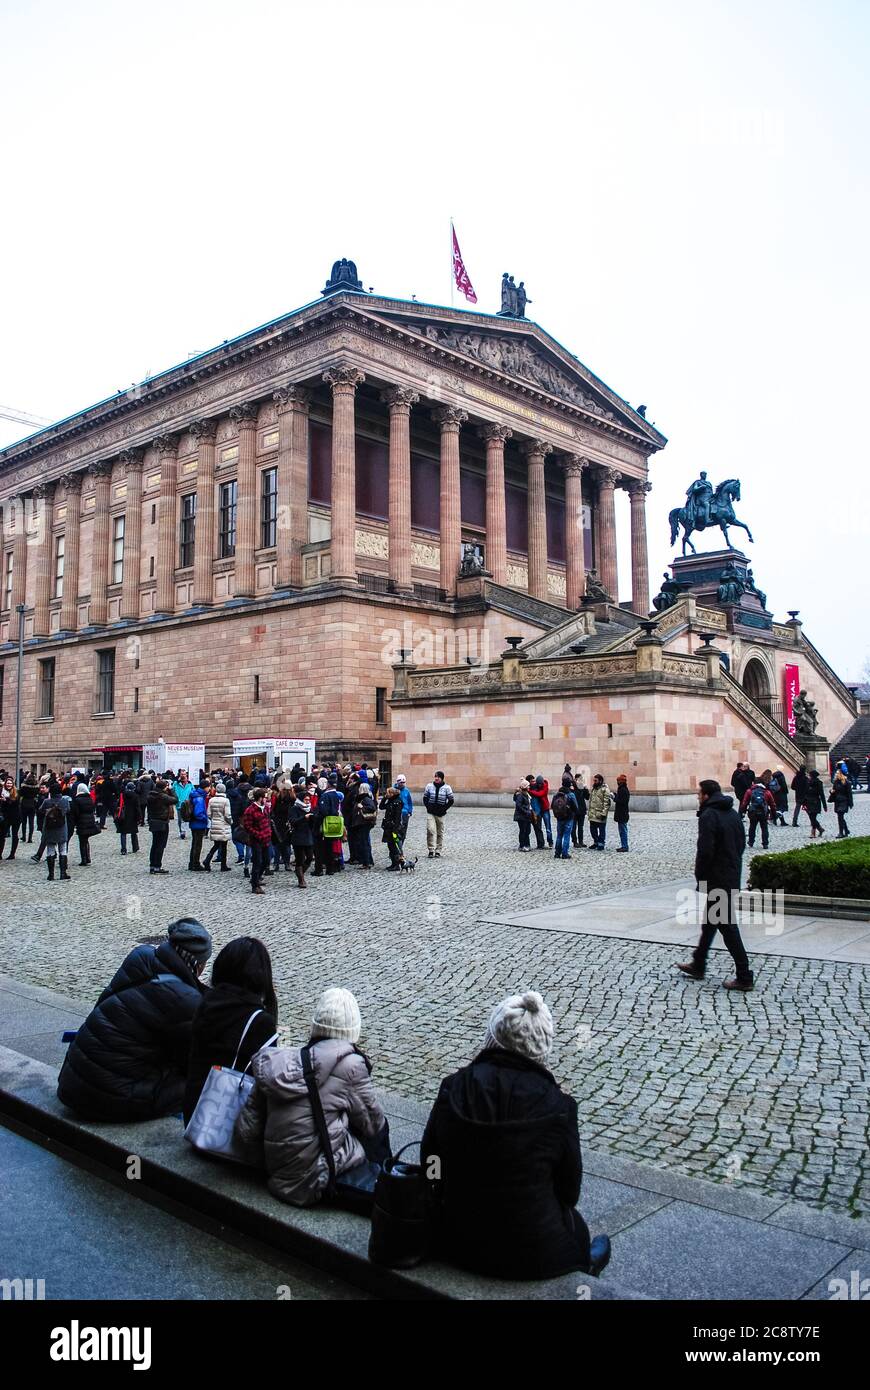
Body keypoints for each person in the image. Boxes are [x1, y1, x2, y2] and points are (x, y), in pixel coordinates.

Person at [421, 991, 610, 1280]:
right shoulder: (560, 1107)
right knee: (578, 1228)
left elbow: (431, 1161)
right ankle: (586, 1263)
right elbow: (569, 1191)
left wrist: (442, 1190)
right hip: (537, 1254)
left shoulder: (453, 1087)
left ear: (493, 1037)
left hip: (457, 1237)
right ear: (542, 1049)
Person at [234, 987, 389, 1207]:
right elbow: (373, 1126)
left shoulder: (276, 1063)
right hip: (316, 1178)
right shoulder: (352, 1066)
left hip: (276, 1170)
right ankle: (385, 1183)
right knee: (376, 1123)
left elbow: (246, 1131)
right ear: (353, 1031)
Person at [57, 918, 212, 1121]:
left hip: (73, 1078)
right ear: (198, 965)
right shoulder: (184, 998)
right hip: (107, 1097)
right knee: (201, 1085)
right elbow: (189, 1061)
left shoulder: (140, 957)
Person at [183, 936, 278, 1126]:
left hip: (194, 1116)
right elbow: (267, 1083)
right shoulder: (259, 1022)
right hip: (225, 1127)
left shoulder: (205, 1004)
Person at [677, 779, 752, 991]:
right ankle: (699, 963)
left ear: (707, 795)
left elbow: (705, 850)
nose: (698, 797)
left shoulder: (709, 815)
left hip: (717, 877)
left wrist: (700, 875)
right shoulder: (732, 813)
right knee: (710, 924)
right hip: (730, 873)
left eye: (699, 794)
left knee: (727, 927)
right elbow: (741, 844)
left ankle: (745, 975)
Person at [242, 786, 273, 894]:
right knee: (257, 862)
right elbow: (247, 826)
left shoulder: (265, 808)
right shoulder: (250, 810)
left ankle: (256, 878)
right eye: (265, 797)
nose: (266, 799)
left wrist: (268, 832)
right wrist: (258, 834)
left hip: (266, 839)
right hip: (256, 840)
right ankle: (255, 885)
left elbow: (268, 821)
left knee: (266, 860)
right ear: (260, 798)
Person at [42, 780, 72, 881]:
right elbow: (68, 810)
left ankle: (51, 874)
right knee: (62, 850)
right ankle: (63, 873)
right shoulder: (64, 801)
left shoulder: (47, 802)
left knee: (50, 850)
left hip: (49, 828)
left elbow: (41, 810)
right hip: (61, 827)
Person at [423, 771, 454, 858]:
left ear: (442, 778)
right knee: (430, 830)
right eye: (435, 776)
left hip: (441, 814)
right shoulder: (429, 786)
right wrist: (428, 807)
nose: (436, 778)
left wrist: (444, 809)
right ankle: (431, 849)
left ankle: (438, 850)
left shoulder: (447, 788)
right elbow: (425, 798)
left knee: (440, 832)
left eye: (438, 777)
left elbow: (451, 800)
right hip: (431, 812)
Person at [203, 781, 233, 871]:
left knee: (216, 845)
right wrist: (230, 822)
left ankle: (207, 859)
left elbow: (208, 813)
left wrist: (214, 819)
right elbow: (227, 815)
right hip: (223, 825)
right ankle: (223, 865)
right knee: (224, 846)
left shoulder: (212, 800)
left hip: (215, 824)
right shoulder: (226, 801)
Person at [740, 777, 777, 849]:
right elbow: (772, 804)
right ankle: (765, 843)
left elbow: (744, 803)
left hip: (753, 812)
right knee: (764, 828)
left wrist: (743, 811)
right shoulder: (767, 792)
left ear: (754, 783)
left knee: (752, 827)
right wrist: (774, 813)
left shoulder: (749, 791)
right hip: (763, 812)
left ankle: (751, 842)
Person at [288, 787, 315, 887]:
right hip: (298, 836)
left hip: (308, 835)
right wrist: (304, 817)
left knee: (309, 857)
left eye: (308, 799)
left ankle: (300, 872)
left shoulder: (309, 808)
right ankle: (301, 880)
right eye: (306, 799)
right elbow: (293, 821)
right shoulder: (294, 808)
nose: (308, 801)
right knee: (300, 859)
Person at [70, 780, 99, 865]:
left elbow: (76, 812)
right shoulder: (89, 798)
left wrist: (75, 822)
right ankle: (88, 857)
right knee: (86, 840)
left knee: (82, 841)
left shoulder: (77, 800)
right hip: (90, 821)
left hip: (81, 822)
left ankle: (84, 859)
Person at [551, 776, 579, 860]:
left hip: (559, 818)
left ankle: (557, 853)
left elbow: (552, 805)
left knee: (559, 835)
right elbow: (576, 807)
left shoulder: (557, 795)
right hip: (569, 817)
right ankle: (565, 853)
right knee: (567, 835)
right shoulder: (571, 795)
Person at [350, 781, 377, 868]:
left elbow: (372, 808)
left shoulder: (365, 798)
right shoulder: (364, 798)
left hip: (364, 823)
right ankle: (368, 861)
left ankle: (366, 862)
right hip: (363, 823)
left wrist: (362, 807)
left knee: (364, 842)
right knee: (365, 842)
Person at [380, 785, 406, 869]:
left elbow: (397, 817)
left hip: (393, 827)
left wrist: (395, 830)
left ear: (392, 793)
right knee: (390, 845)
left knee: (394, 846)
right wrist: (384, 798)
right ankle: (394, 863)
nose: (386, 794)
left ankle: (397, 864)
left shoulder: (397, 802)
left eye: (387, 793)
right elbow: (381, 806)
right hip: (388, 826)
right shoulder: (391, 801)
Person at [116, 780, 141, 855]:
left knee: (123, 833)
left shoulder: (122, 795)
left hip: (123, 816)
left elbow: (118, 805)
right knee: (133, 833)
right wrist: (139, 817)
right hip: (132, 816)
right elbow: (137, 808)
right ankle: (135, 847)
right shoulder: (135, 796)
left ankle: (123, 849)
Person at [587, 774, 611, 850]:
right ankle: (596, 841)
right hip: (592, 813)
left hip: (600, 813)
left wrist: (604, 813)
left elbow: (606, 802)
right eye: (594, 780)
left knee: (601, 830)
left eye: (596, 780)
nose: (594, 782)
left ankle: (601, 843)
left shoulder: (605, 789)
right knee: (592, 829)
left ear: (600, 781)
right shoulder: (593, 789)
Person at [528, 775, 552, 849]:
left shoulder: (545, 786)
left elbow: (540, 794)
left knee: (548, 828)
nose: (539, 785)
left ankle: (550, 841)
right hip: (539, 810)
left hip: (545, 809)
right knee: (539, 827)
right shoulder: (536, 786)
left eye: (539, 784)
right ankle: (541, 843)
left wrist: (529, 791)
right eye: (537, 784)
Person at [0, 778, 21, 860]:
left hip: (15, 817)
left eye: (10, 783)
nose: (9, 785)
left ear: (13, 784)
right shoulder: (2, 792)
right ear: (5, 784)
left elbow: (15, 803)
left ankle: (12, 854)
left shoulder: (16, 792)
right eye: (7, 783)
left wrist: (6, 800)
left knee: (14, 835)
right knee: (2, 835)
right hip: (5, 817)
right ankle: (0, 853)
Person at [804, 770, 827, 838]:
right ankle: (820, 829)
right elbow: (805, 793)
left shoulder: (818, 783)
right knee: (811, 817)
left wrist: (824, 805)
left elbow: (821, 794)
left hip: (815, 802)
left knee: (813, 818)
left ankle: (813, 833)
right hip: (809, 802)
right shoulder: (808, 782)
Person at [830, 771, 853, 838]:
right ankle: (846, 830)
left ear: (841, 774)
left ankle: (841, 832)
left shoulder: (847, 783)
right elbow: (834, 790)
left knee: (840, 816)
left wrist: (850, 803)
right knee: (840, 817)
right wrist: (831, 791)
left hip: (844, 801)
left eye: (837, 773)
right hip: (837, 801)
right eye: (836, 773)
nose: (836, 774)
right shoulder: (836, 782)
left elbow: (849, 794)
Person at [513, 780, 534, 852]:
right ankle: (522, 846)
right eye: (528, 786)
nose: (529, 786)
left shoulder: (526, 794)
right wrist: (526, 811)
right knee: (523, 831)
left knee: (527, 830)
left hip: (526, 816)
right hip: (522, 816)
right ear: (525, 787)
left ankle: (527, 845)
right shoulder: (520, 795)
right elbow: (518, 806)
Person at [18, 773, 38, 843]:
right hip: (32, 804)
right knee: (31, 822)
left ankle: (24, 836)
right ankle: (30, 838)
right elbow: (36, 794)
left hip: (24, 804)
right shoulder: (36, 787)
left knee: (24, 822)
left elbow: (20, 794)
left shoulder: (24, 787)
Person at [172, 771, 193, 840]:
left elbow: (193, 792)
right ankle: (181, 831)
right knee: (180, 819)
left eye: (184, 774)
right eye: (181, 774)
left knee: (186, 818)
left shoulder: (190, 784)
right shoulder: (176, 784)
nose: (183, 776)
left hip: (187, 804)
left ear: (186, 775)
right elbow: (172, 791)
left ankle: (183, 831)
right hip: (179, 804)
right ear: (179, 775)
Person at [613, 774, 631, 852]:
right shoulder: (623, 789)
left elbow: (622, 801)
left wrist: (614, 798)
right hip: (623, 813)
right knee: (623, 830)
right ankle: (624, 845)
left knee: (623, 830)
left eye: (618, 781)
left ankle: (624, 846)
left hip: (622, 814)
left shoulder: (623, 789)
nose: (617, 782)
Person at [395, 774, 413, 844]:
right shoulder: (394, 790)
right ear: (398, 782)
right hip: (396, 813)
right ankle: (396, 848)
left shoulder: (406, 791)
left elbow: (409, 802)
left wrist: (410, 812)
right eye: (401, 783)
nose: (402, 784)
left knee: (403, 831)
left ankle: (400, 847)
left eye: (403, 782)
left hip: (405, 813)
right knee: (396, 831)